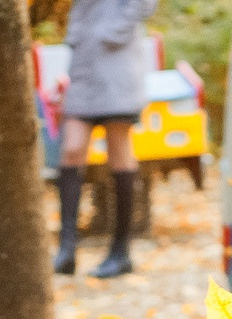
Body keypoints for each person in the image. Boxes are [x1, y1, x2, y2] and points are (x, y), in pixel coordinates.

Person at [55, 0, 159, 278]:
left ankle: (120, 251)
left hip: (118, 61)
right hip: (84, 63)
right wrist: (78, 33)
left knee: (119, 151)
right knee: (72, 148)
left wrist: (112, 31)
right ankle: (66, 249)